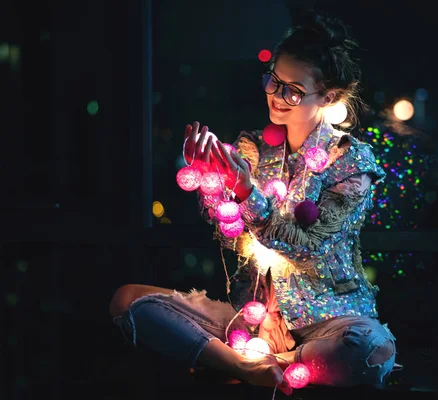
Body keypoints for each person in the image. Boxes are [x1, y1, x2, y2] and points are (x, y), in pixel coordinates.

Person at [110, 12, 397, 395]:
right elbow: (231, 233)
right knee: (127, 301)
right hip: (251, 320)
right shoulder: (253, 148)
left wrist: (248, 194)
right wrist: (212, 184)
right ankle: (245, 366)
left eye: (293, 90)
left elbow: (310, 246)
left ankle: (271, 364)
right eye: (273, 81)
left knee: (372, 351)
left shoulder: (351, 162)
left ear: (326, 97)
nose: (277, 97)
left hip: (330, 323)